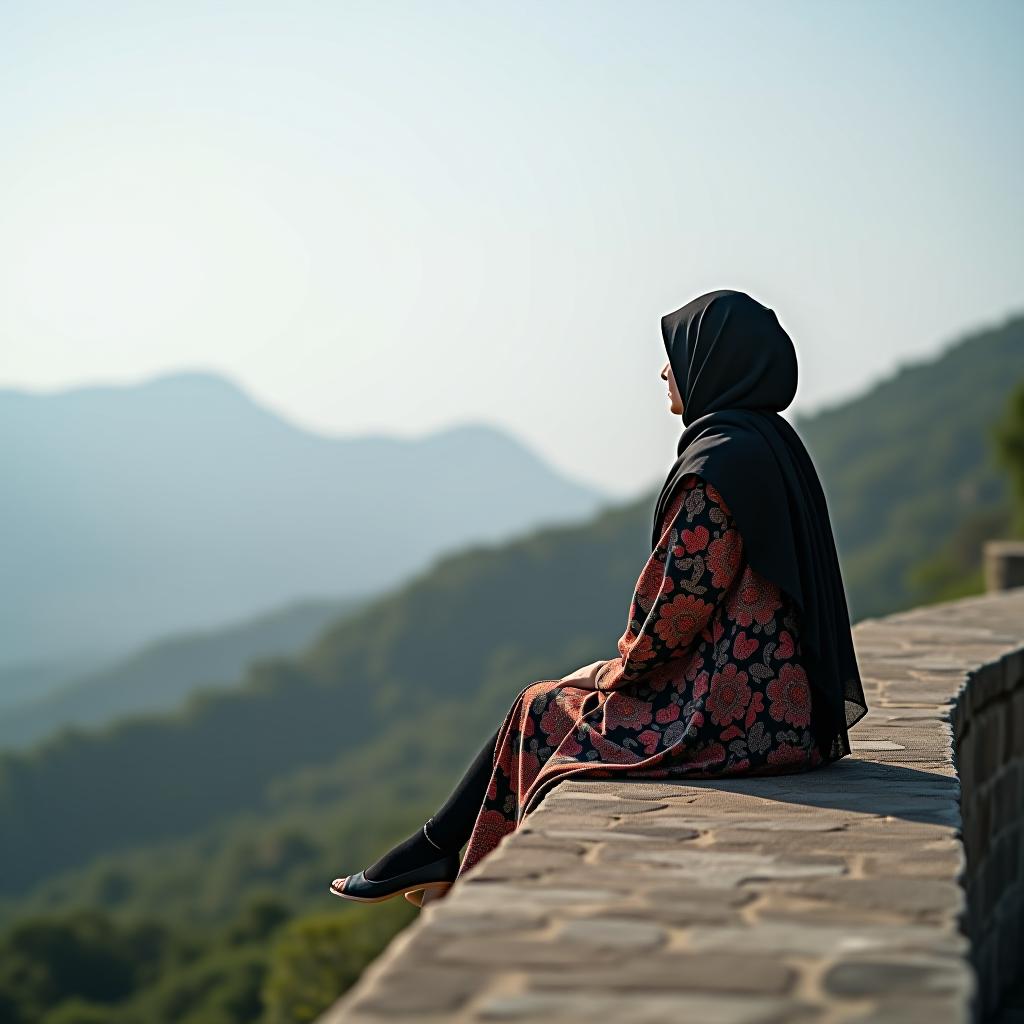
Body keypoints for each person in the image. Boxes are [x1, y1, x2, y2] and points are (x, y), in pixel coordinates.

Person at [329, 288, 868, 908]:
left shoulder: (718, 467)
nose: (667, 370)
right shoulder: (771, 447)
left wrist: (618, 668)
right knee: (555, 703)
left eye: (678, 355)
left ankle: (446, 866)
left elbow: (675, 610)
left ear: (713, 362)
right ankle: (434, 857)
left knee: (541, 708)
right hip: (785, 712)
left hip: (731, 720)